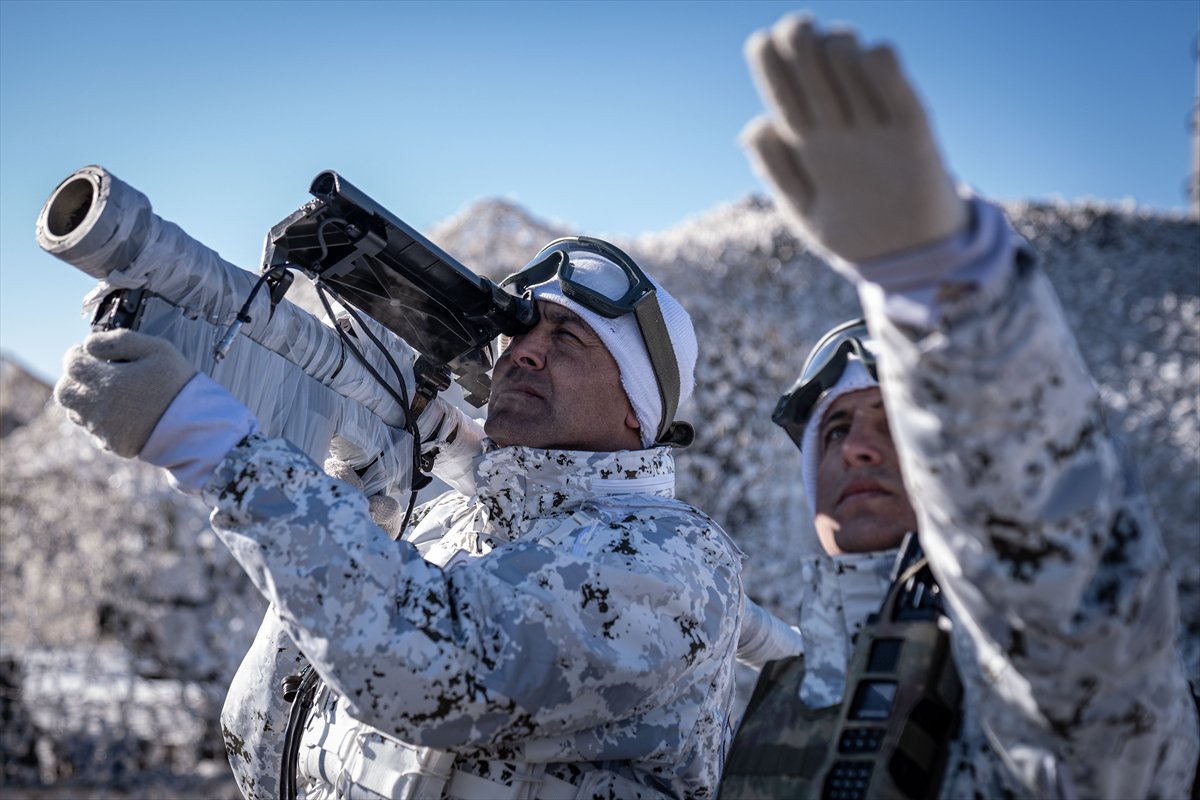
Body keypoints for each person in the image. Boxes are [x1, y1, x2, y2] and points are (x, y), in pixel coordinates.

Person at [54, 236, 744, 799]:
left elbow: (432, 670)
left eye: (571, 338)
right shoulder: (442, 528)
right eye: (523, 329)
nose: (525, 351)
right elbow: (264, 755)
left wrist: (210, 443)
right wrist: (353, 511)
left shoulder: (677, 559)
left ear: (637, 409)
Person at [718, 13, 1200, 800]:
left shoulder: (1023, 669)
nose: (858, 449)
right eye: (834, 429)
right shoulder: (782, 690)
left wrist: (946, 295)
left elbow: (1068, 631)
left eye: (897, 425)